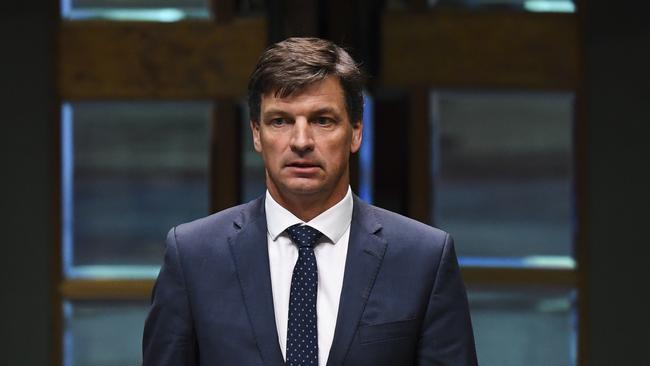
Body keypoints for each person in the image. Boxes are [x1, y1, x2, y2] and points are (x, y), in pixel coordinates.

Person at [143, 37, 477, 366]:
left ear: (356, 132)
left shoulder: (423, 259)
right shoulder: (192, 256)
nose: (301, 141)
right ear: (257, 134)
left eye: (322, 120)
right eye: (280, 121)